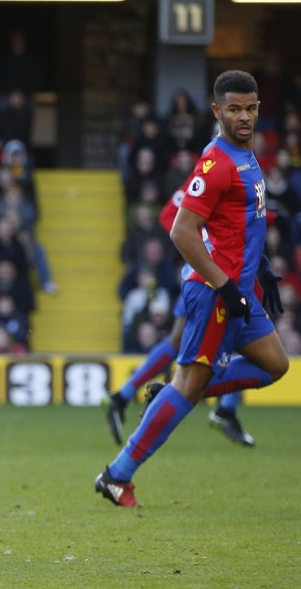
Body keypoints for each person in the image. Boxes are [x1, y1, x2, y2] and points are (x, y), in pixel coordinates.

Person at [95, 71, 289, 507]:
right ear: (217, 111)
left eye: (251, 108)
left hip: (240, 290)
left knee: (275, 365)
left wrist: (262, 270)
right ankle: (116, 475)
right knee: (188, 385)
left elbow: (243, 225)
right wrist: (225, 288)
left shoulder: (247, 153)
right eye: (234, 109)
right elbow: (182, 232)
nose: (244, 116)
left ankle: (174, 392)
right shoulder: (217, 162)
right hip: (217, 293)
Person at [103, 175, 285, 447]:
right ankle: (216, 407)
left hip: (220, 271)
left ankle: (126, 396)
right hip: (207, 274)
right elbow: (170, 217)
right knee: (224, 334)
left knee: (201, 337)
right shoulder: (208, 176)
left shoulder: (234, 175)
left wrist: (271, 219)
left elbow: (240, 218)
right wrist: (201, 243)